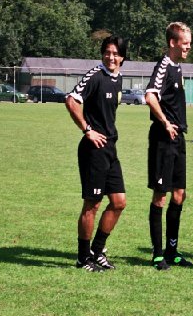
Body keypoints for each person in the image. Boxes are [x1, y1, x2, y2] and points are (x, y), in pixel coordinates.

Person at [65, 35, 128, 272]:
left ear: (123, 57)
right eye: (107, 52)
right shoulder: (95, 75)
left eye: (116, 53)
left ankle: (97, 251)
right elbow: (71, 100)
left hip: (111, 149)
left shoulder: (118, 78)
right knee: (92, 204)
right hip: (93, 149)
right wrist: (87, 130)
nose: (111, 57)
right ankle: (83, 258)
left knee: (119, 202)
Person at [146, 22, 193, 270]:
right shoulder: (163, 65)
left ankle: (172, 251)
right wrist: (165, 122)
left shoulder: (178, 68)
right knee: (160, 196)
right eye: (185, 42)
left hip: (179, 138)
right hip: (163, 139)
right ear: (173, 42)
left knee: (179, 194)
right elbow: (150, 95)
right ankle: (157, 254)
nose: (189, 46)